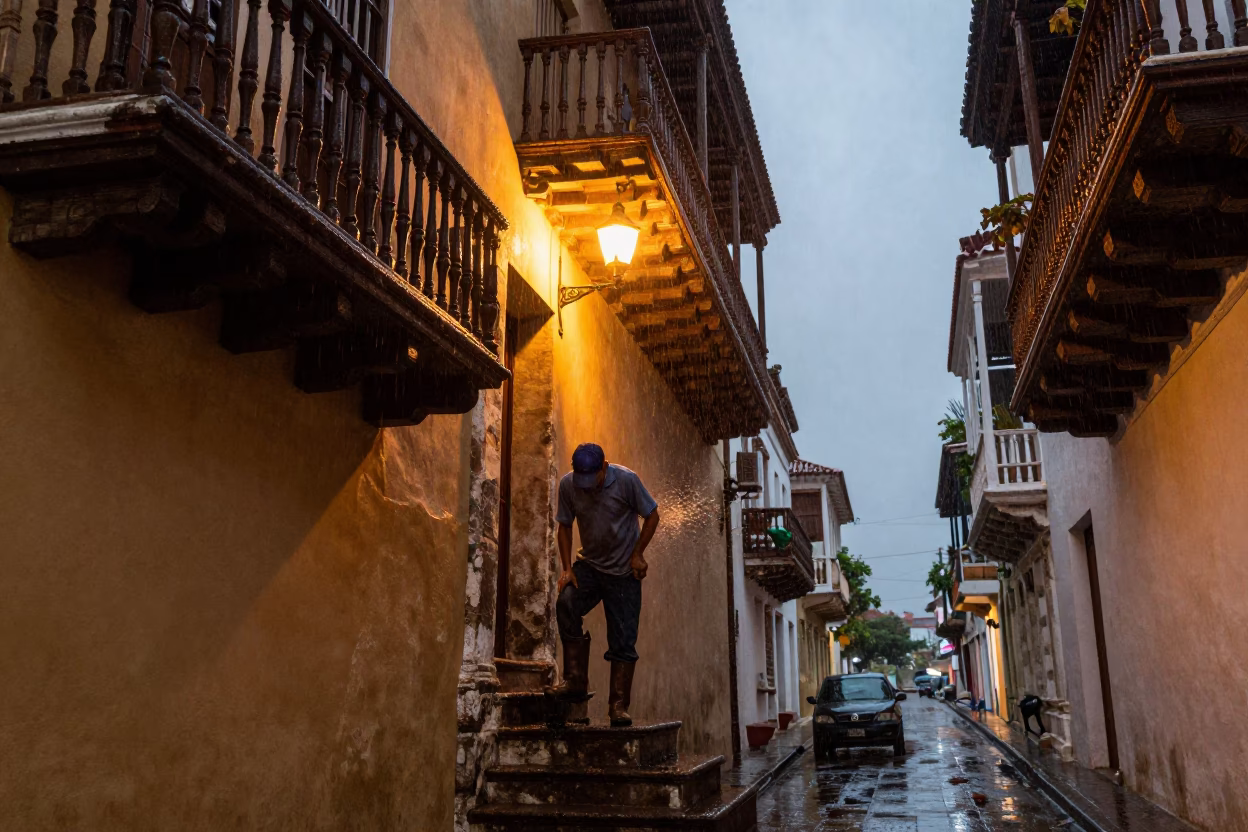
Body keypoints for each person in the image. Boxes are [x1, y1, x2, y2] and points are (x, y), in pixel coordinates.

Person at [546, 443, 660, 726]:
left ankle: (618, 706)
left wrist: (638, 554)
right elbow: (564, 524)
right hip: (591, 567)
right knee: (566, 603)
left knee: (623, 639)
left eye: (592, 480)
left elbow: (652, 515)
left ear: (604, 468)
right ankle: (575, 681)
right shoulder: (569, 485)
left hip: (623, 573)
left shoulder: (626, 481)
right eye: (581, 480)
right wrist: (567, 569)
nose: (586, 487)